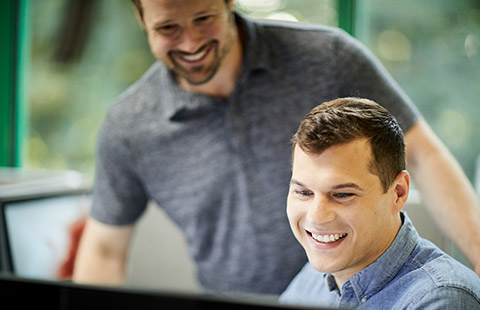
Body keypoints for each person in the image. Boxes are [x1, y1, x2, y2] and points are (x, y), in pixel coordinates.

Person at [73, 0, 480, 295]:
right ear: (141, 19)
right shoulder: (128, 125)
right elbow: (105, 249)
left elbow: (422, 154)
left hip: (361, 290)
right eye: (168, 29)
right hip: (289, 293)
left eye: (203, 19)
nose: (192, 41)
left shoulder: (328, 59)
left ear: (229, 3)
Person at [279, 97, 480, 309]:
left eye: (343, 194)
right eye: (303, 192)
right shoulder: (312, 279)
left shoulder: (442, 299)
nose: (316, 217)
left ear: (398, 193)